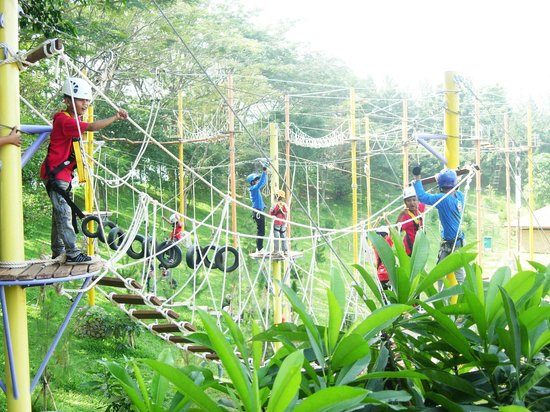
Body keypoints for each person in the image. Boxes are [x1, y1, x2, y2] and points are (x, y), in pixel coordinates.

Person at [40, 77, 128, 264]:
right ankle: (71, 253)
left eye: (87, 100)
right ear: (67, 101)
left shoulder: (71, 119)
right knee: (64, 214)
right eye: (81, 100)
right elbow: (92, 127)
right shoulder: (65, 121)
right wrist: (115, 117)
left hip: (60, 174)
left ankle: (58, 251)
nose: (85, 103)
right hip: (56, 175)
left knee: (60, 213)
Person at [412, 165, 465, 285]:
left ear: (441, 186)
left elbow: (422, 197)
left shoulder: (443, 199)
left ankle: (441, 300)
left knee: (439, 274)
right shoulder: (460, 197)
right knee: (460, 275)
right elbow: (455, 187)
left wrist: (417, 178)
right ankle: (465, 297)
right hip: (458, 241)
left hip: (450, 243)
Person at [396, 186, 425, 256]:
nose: (412, 203)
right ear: (405, 202)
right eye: (408, 201)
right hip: (410, 248)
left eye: (414, 200)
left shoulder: (420, 207)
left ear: (417, 200)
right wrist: (401, 215)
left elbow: (425, 201)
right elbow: (397, 229)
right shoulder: (405, 215)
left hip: (420, 246)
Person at [247, 166, 268, 253]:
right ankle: (259, 249)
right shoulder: (253, 189)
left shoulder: (255, 189)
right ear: (252, 182)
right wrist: (264, 172)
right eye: (255, 180)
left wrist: (265, 174)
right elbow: (260, 184)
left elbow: (262, 183)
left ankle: (259, 248)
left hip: (259, 211)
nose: (257, 181)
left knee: (261, 230)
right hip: (257, 212)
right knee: (261, 231)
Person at [374, 226, 393, 293]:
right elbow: (392, 232)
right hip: (390, 276)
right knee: (393, 298)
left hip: (380, 276)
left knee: (384, 298)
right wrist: (386, 220)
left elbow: (370, 234)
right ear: (386, 236)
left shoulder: (375, 246)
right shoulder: (388, 244)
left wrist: (376, 223)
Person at [269, 189, 289, 256]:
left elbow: (270, 213)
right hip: (283, 223)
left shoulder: (274, 205)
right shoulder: (285, 205)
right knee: (283, 237)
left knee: (276, 237)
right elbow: (286, 214)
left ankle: (276, 251)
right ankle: (285, 251)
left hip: (276, 223)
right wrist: (286, 223)